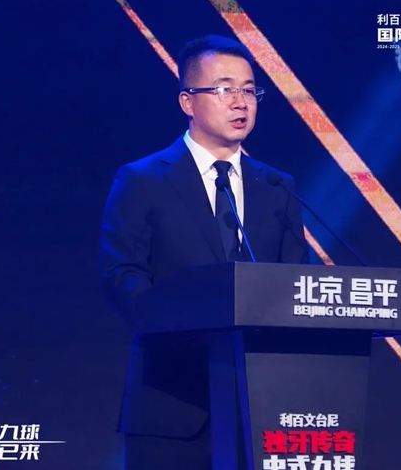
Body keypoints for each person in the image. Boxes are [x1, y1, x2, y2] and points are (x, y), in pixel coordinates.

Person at [99, 34, 309, 470]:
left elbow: (296, 283)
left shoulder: (276, 186)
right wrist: (195, 329)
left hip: (262, 408)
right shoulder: (143, 179)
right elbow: (122, 277)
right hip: (171, 405)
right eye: (224, 89)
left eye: (249, 90)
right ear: (188, 102)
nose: (240, 102)